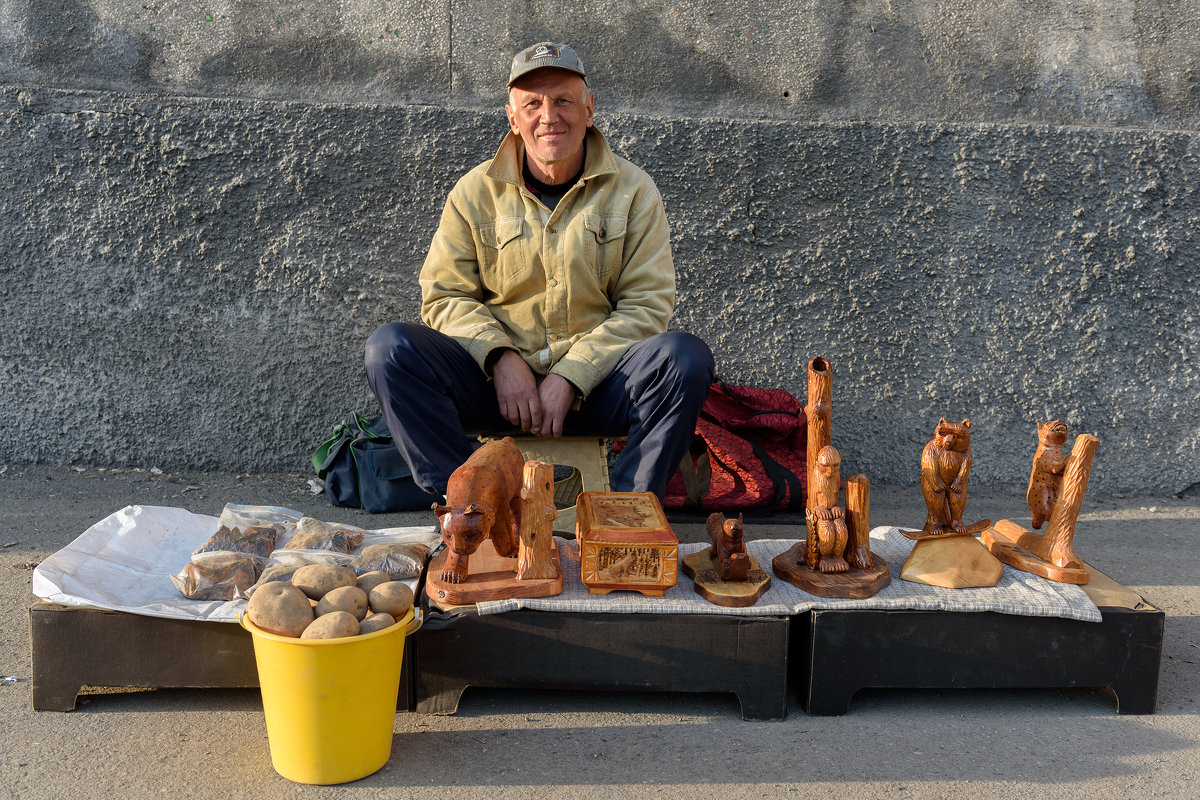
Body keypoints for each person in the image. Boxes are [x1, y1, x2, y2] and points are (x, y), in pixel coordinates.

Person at [365, 41, 713, 502]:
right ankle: (469, 507)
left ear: (589, 111)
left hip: (597, 389)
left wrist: (572, 375)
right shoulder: (474, 192)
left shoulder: (633, 191)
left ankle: (626, 516)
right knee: (390, 350)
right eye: (533, 103)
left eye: (564, 100)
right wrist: (499, 358)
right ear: (513, 118)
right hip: (496, 391)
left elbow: (647, 305)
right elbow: (444, 295)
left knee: (683, 359)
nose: (549, 116)